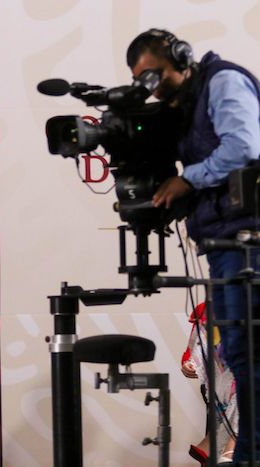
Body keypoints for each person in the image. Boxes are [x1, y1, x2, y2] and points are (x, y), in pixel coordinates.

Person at [127, 28, 260, 464]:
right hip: (225, 243)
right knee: (240, 356)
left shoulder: (223, 82)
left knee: (250, 355)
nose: (154, 88)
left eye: (155, 75)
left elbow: (244, 147)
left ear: (181, 58)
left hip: (249, 243)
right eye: (142, 81)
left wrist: (188, 179)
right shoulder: (185, 108)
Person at [182, 303, 238, 465]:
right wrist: (190, 365)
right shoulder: (211, 309)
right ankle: (230, 446)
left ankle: (216, 443)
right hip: (225, 380)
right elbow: (193, 355)